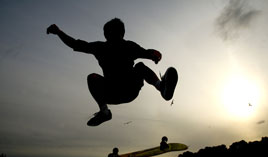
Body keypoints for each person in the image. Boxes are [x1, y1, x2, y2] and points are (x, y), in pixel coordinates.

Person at [47, 18, 178, 126]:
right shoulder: (123, 46)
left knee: (95, 77)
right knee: (138, 67)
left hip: (117, 92)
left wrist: (58, 32)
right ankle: (105, 112)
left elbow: (75, 44)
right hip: (124, 91)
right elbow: (150, 53)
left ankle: (161, 88)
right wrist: (156, 55)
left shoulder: (104, 47)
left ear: (106, 34)